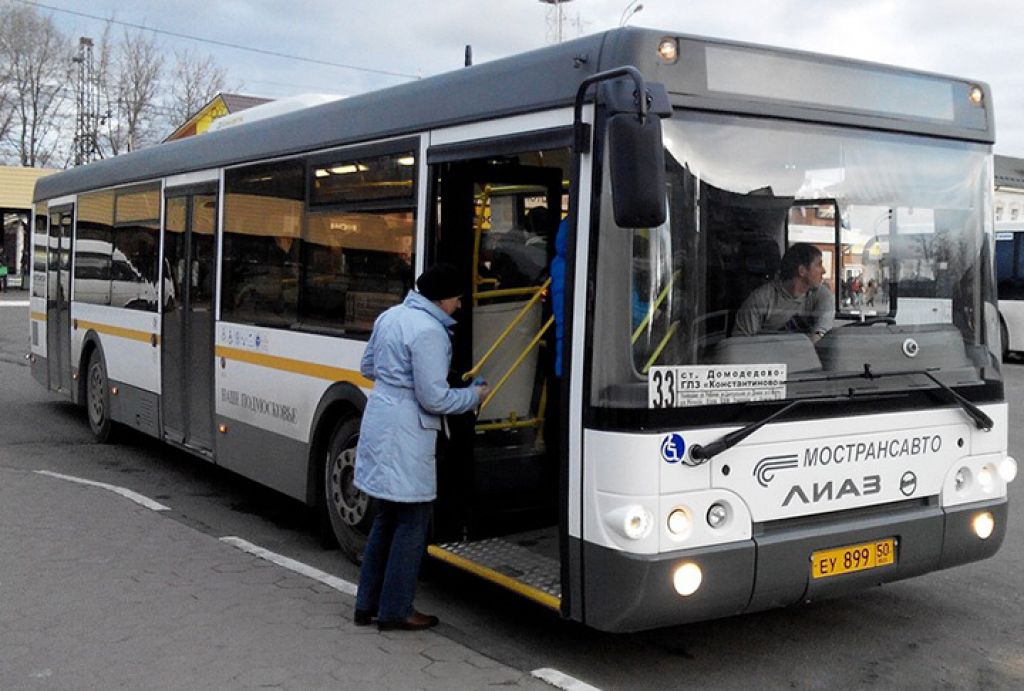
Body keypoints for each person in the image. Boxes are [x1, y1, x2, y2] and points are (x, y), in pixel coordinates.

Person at [353, 263, 489, 631]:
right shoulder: (430, 331)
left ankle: (366, 604)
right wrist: (473, 396)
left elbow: (367, 366)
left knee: (385, 517)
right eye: (457, 298)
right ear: (442, 299)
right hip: (407, 430)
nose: (459, 305)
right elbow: (434, 399)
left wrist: (395, 381)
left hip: (381, 419)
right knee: (412, 521)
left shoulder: (391, 316)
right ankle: (397, 610)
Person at [734, 242, 834, 342]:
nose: (824, 271)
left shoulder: (822, 295)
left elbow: (822, 330)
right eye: (819, 265)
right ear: (802, 271)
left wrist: (815, 339)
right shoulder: (761, 299)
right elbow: (739, 343)